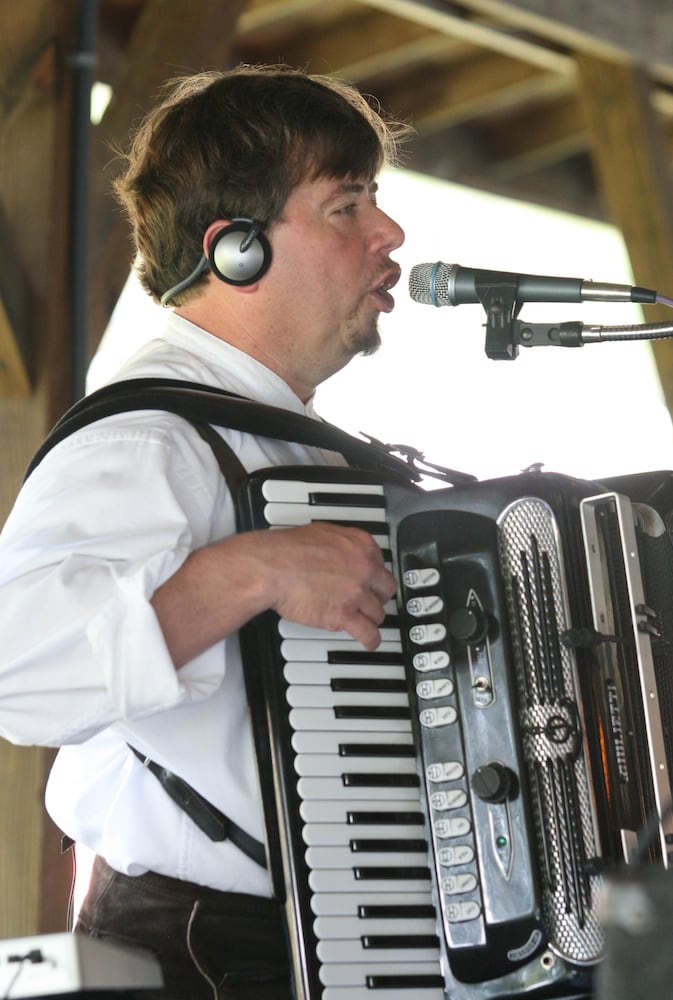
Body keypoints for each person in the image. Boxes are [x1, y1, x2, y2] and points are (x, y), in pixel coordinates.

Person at [0, 65, 410, 999]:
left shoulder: (285, 441)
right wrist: (249, 569)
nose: (389, 234)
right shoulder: (152, 439)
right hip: (192, 955)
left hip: (315, 945)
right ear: (237, 253)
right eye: (345, 205)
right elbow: (12, 665)